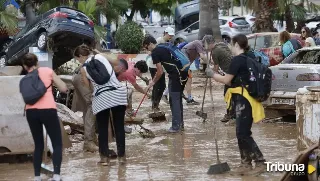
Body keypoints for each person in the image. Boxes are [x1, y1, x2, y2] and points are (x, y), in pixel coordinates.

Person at [206, 34, 266, 174]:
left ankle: (260, 161)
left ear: (237, 45)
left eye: (232, 45)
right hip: (247, 99)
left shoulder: (237, 60)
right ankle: (245, 164)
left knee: (243, 133)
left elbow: (227, 80)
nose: (230, 47)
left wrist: (212, 74)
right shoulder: (248, 57)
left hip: (244, 100)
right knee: (241, 132)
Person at [74, 45, 127, 166]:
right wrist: (100, 53)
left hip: (101, 98)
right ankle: (122, 158)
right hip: (118, 93)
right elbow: (117, 61)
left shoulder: (83, 69)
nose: (79, 61)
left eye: (78, 59)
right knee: (119, 127)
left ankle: (104, 159)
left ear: (81, 56)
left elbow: (88, 86)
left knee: (102, 128)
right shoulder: (101, 56)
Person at [22, 53, 68, 181]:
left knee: (38, 145)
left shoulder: (25, 79)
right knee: (57, 143)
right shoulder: (47, 71)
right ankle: (57, 176)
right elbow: (63, 88)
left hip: (31, 112)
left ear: (25, 66)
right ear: (37, 63)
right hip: (48, 110)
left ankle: (37, 177)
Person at [143, 35, 189, 133]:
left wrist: (152, 82)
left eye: (146, 47)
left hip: (176, 75)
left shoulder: (155, 52)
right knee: (177, 98)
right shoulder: (164, 45)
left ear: (150, 44)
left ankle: (176, 127)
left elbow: (159, 71)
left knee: (174, 100)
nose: (147, 50)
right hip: (183, 73)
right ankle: (180, 125)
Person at [180, 35, 216, 105]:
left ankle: (189, 98)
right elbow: (202, 57)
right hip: (183, 62)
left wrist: (213, 63)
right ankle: (168, 94)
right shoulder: (198, 43)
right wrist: (211, 63)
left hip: (187, 63)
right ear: (208, 42)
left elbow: (204, 59)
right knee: (181, 79)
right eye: (211, 44)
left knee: (188, 80)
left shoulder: (203, 48)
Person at [147, 27, 175, 111]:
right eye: (169, 35)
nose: (170, 37)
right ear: (165, 33)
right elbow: (151, 51)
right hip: (154, 66)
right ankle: (154, 105)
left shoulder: (167, 42)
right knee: (157, 85)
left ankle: (156, 103)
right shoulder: (159, 40)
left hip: (160, 67)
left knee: (162, 86)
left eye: (171, 36)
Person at [210, 41, 234, 123]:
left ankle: (230, 115)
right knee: (234, 94)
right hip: (235, 70)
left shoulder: (214, 52)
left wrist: (211, 72)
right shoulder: (221, 44)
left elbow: (216, 69)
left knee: (227, 94)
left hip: (229, 74)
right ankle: (233, 114)